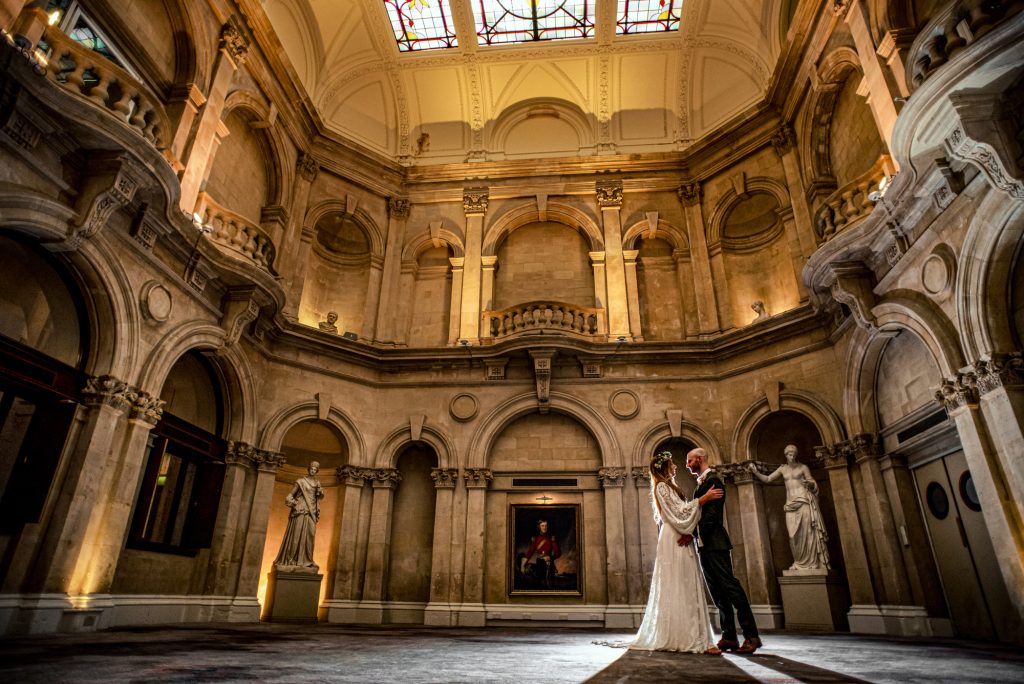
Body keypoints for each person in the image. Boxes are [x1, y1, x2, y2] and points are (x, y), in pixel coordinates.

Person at [632, 451, 725, 654]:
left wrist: (690, 531)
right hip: (674, 536)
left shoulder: (669, 487)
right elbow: (678, 512)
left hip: (680, 532)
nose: (676, 466)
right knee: (679, 583)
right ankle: (686, 637)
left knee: (686, 582)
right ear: (665, 467)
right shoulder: (662, 487)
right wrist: (704, 499)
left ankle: (694, 635)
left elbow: (681, 510)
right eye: (673, 463)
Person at [688, 447, 763, 654]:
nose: (688, 464)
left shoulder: (714, 481)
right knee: (718, 593)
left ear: (700, 459)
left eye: (690, 460)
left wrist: (692, 531)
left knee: (731, 588)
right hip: (704, 545)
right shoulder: (701, 484)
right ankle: (729, 636)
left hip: (715, 544)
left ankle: (751, 636)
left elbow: (712, 517)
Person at [748, 444, 830, 572]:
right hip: (790, 505)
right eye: (789, 454)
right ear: (785, 455)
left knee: (808, 532)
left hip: (803, 501)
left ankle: (813, 563)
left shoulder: (803, 467)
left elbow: (812, 482)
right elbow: (768, 479)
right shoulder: (783, 469)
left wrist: (809, 483)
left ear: (796, 455)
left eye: (793, 454)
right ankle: (799, 562)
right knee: (793, 536)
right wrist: (755, 471)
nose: (791, 456)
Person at [274, 461, 325, 571]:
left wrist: (320, 493)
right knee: (296, 536)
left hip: (312, 512)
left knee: (310, 535)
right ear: (308, 469)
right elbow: (289, 496)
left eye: (315, 469)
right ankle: (291, 560)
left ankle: (308, 560)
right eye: (311, 468)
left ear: (317, 471)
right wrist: (294, 505)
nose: (313, 470)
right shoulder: (300, 482)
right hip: (300, 511)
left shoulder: (317, 484)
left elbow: (318, 498)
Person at [521, 519, 560, 588]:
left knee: (549, 586)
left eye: (546, 525)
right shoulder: (535, 539)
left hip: (549, 564)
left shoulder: (551, 538)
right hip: (539, 564)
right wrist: (522, 565)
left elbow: (558, 552)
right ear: (539, 527)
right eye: (542, 526)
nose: (544, 527)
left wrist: (550, 557)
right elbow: (530, 552)